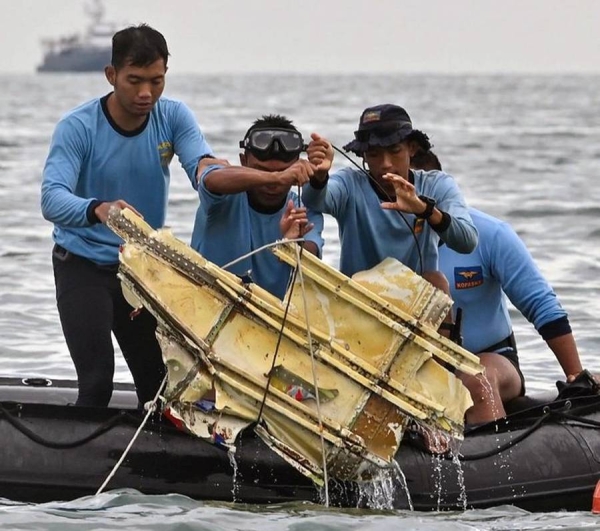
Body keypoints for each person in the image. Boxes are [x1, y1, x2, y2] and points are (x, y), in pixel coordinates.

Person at [40, 24, 215, 407]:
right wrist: (99, 208)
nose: (145, 93)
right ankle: (84, 464)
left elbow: (202, 168)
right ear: (111, 75)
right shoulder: (78, 127)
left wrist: (258, 178)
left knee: (161, 389)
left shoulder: (172, 117)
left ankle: (148, 464)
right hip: (82, 265)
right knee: (98, 380)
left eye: (156, 81)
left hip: (139, 271)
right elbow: (51, 200)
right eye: (134, 81)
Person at [411, 149, 585, 424]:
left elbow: (542, 305)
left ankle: (499, 464)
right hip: (412, 365)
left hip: (491, 358)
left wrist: (575, 375)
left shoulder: (491, 233)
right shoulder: (382, 242)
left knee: (475, 382)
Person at [303, 103, 477, 317]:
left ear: (411, 149)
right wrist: (320, 176)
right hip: (359, 307)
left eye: (395, 151)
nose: (385, 164)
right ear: (363, 156)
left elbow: (468, 240)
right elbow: (316, 200)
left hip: (417, 310)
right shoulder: (350, 184)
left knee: (436, 281)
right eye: (374, 154)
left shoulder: (437, 185)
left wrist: (424, 210)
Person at [191, 115, 324, 299]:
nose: (273, 184)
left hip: (269, 319)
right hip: (205, 304)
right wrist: (278, 177)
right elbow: (209, 179)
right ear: (243, 161)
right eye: (261, 170)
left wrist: (292, 247)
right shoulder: (221, 196)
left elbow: (313, 257)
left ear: (297, 167)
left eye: (285, 170)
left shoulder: (302, 209)